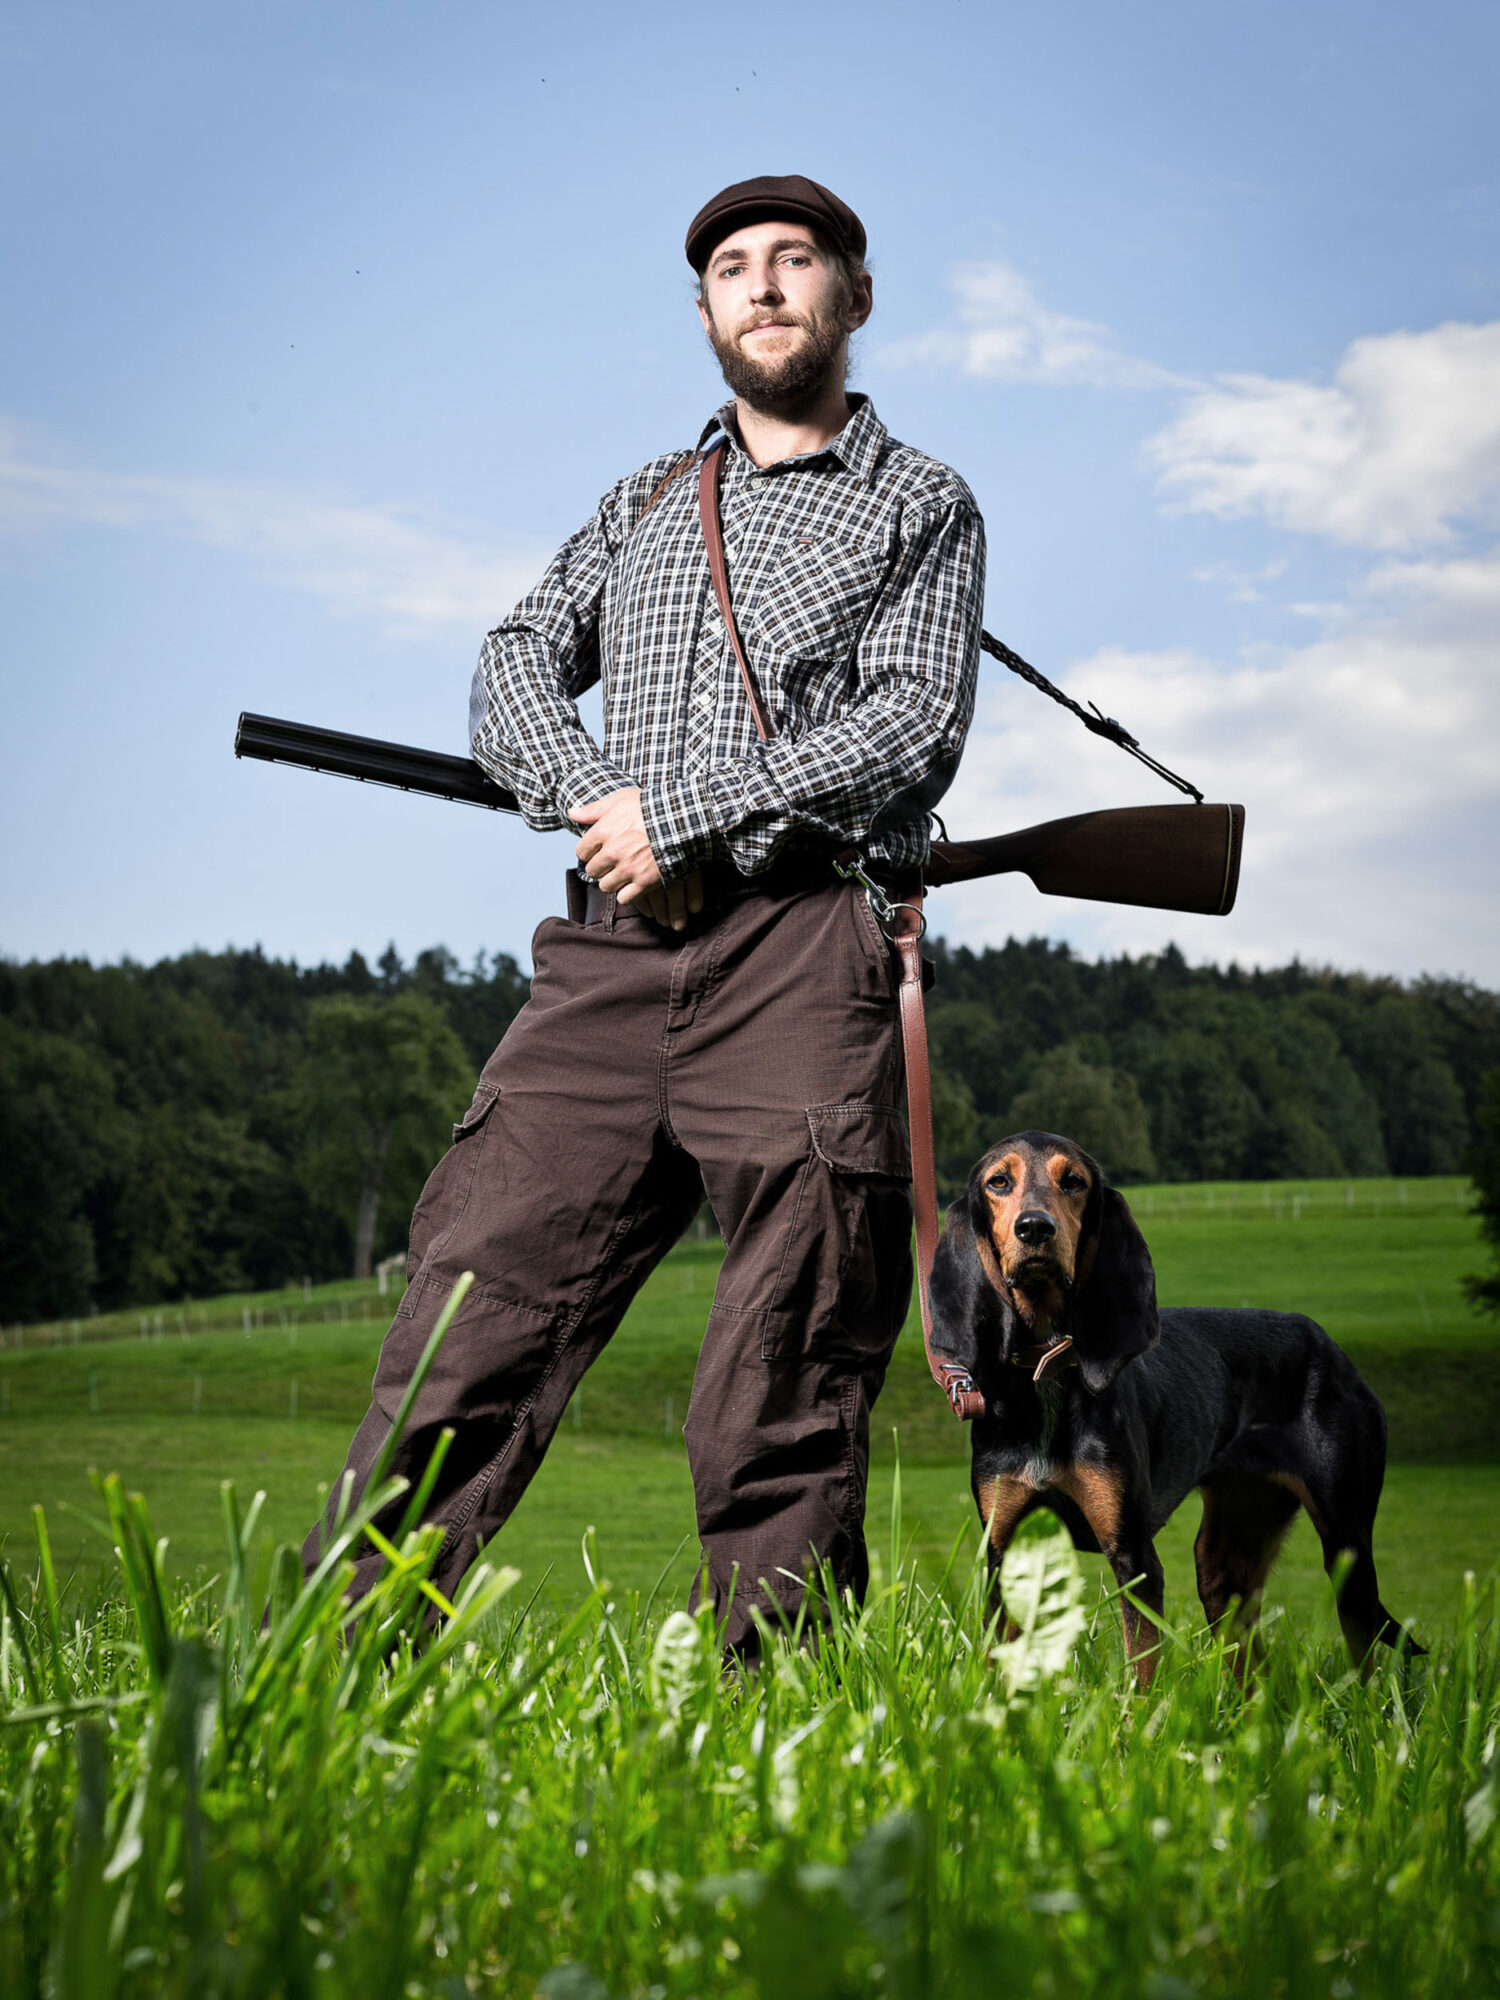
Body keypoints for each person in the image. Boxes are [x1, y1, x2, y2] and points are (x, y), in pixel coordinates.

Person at [303, 174, 985, 1653]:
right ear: (703, 315)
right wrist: (606, 805)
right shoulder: (641, 503)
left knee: (784, 1358)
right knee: (466, 1315)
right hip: (605, 970)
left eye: (795, 260)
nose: (762, 285)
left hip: (801, 951)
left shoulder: (920, 502)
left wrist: (685, 814)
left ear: (853, 298)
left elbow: (915, 724)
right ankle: (328, 1675)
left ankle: (769, 1719)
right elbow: (511, 666)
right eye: (733, 267)